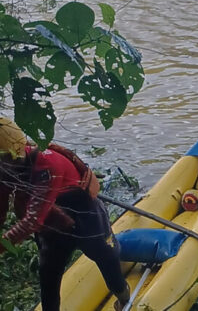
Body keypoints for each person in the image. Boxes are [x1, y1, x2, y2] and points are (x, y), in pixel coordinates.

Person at [0, 117, 130, 311]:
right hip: (53, 224)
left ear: (10, 154)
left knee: (105, 258)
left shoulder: (46, 165)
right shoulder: (7, 167)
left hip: (84, 215)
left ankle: (124, 297)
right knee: (48, 275)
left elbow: (32, 219)